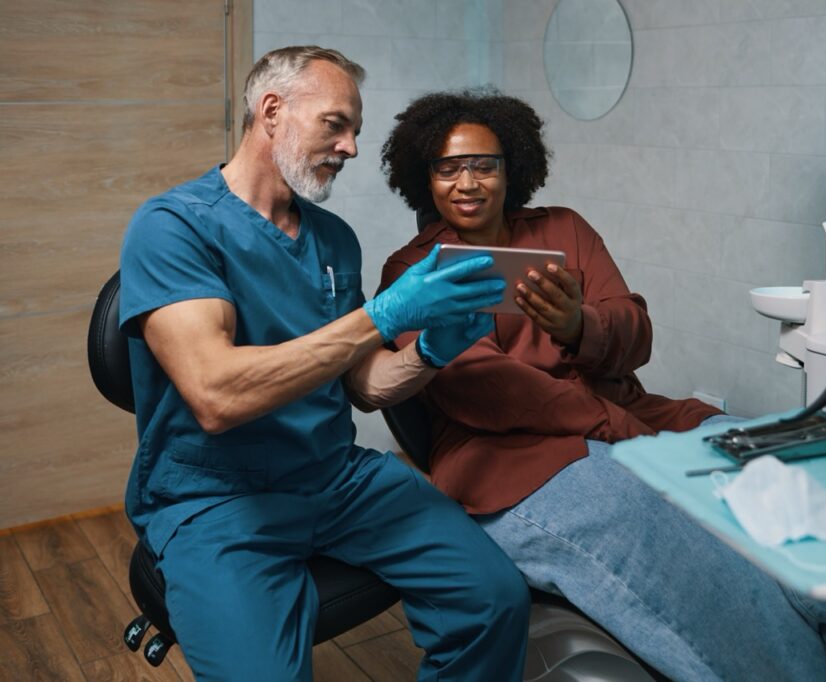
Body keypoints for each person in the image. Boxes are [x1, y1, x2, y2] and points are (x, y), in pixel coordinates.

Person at [377, 89, 826, 682]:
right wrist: (625, 435)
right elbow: (484, 390)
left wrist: (582, 325)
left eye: (483, 165)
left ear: (510, 167)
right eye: (447, 168)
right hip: (516, 463)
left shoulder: (564, 229)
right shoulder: (412, 271)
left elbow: (636, 330)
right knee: (664, 522)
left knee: (774, 470)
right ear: (423, 178)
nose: (467, 182)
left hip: (632, 418)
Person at [118, 49, 531, 681]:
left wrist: (429, 349)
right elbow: (215, 394)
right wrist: (385, 315)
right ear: (273, 111)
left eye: (356, 131)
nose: (352, 147)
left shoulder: (334, 239)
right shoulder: (174, 227)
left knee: (494, 599)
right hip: (218, 498)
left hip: (335, 477)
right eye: (336, 124)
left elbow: (365, 386)